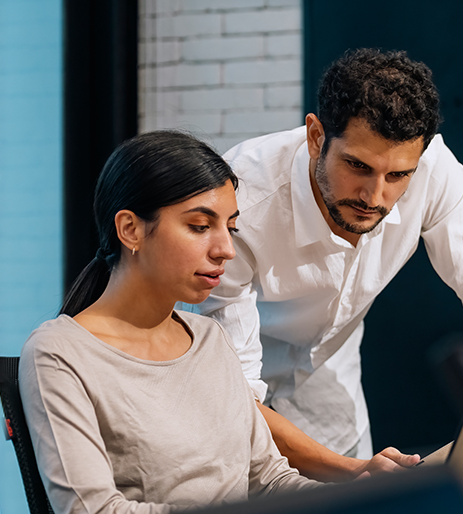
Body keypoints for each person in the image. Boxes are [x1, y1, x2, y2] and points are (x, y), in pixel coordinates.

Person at [199, 48, 463, 481]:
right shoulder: (241, 202)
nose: (374, 196)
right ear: (316, 136)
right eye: (358, 166)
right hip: (229, 388)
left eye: (398, 176)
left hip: (330, 376)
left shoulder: (432, 169)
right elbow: (236, 400)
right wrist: (355, 471)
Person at [21, 131, 322, 514]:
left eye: (230, 228)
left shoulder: (211, 339)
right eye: (199, 227)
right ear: (130, 229)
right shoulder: (60, 352)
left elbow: (268, 479)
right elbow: (92, 510)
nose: (225, 250)